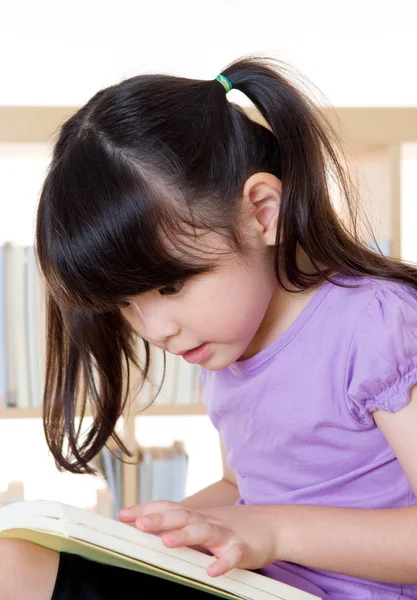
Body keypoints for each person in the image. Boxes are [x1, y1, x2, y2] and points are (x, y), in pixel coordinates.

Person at [1, 54, 417, 600]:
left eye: (170, 286)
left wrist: (274, 532)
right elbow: (239, 488)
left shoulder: (378, 324)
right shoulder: (226, 350)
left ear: (263, 212)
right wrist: (159, 529)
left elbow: (267, 519)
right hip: (253, 586)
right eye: (128, 302)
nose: (155, 329)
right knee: (14, 562)